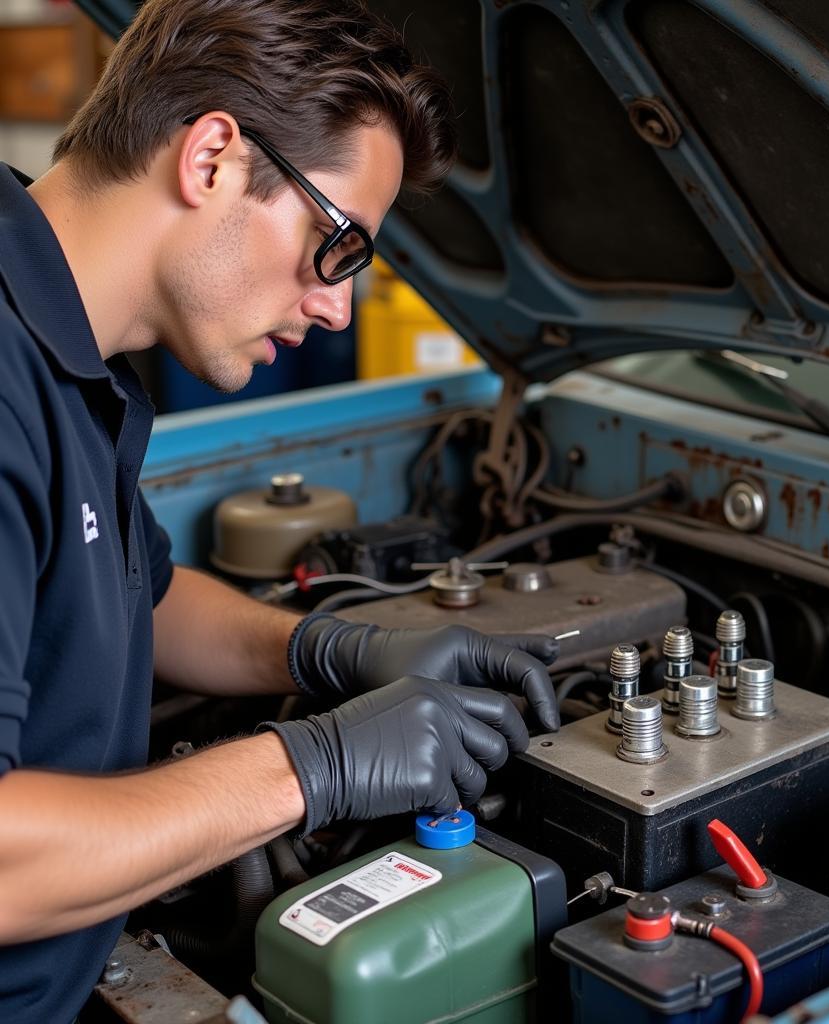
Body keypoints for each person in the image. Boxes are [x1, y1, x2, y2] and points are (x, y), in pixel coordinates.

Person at [0, 2, 559, 1020]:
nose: (337, 304)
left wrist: (329, 652)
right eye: (336, 245)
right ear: (211, 158)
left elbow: (137, 597)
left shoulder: (66, 352)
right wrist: (316, 765)